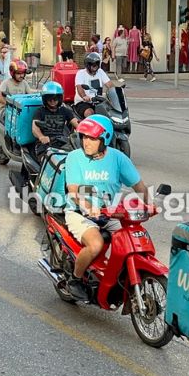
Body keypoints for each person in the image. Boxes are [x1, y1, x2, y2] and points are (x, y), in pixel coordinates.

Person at [63, 114, 149, 300]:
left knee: (132, 241)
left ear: (105, 139)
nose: (86, 142)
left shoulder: (118, 159)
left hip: (110, 213)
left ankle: (117, 277)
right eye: (84, 137)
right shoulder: (75, 157)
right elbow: (73, 191)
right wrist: (88, 207)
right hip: (80, 213)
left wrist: (149, 204)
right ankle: (74, 279)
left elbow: (139, 186)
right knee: (96, 245)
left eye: (92, 138)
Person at [32, 81, 79, 158]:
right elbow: (35, 128)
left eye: (55, 98)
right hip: (45, 145)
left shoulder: (65, 110)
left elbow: (76, 123)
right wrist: (41, 137)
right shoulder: (40, 111)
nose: (53, 101)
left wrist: (86, 130)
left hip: (64, 143)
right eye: (49, 99)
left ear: (59, 98)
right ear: (45, 99)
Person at [74, 52, 115, 118]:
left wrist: (116, 91)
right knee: (89, 112)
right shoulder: (81, 73)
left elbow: (109, 84)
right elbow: (79, 87)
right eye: (92, 64)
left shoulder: (100, 72)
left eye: (96, 64)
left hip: (99, 102)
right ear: (87, 64)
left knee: (110, 113)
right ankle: (88, 127)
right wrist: (84, 96)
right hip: (83, 103)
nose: (95, 66)